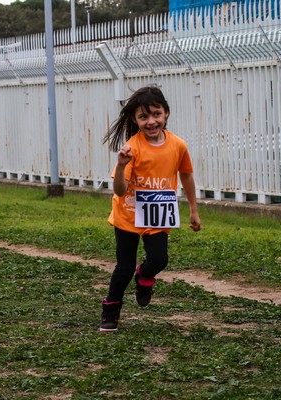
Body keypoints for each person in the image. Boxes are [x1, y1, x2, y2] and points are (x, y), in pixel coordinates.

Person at [99, 86, 202, 332]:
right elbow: (120, 190)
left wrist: (194, 210)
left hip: (157, 215)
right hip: (128, 215)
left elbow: (186, 176)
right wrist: (122, 166)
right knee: (123, 267)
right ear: (135, 120)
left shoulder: (178, 146)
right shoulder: (132, 148)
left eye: (156, 114)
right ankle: (111, 308)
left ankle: (144, 278)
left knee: (159, 259)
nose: (151, 121)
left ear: (166, 113)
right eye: (143, 117)